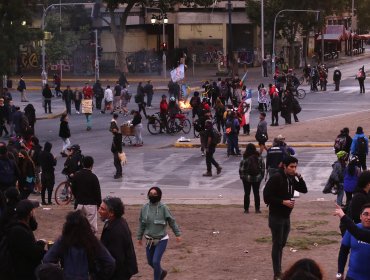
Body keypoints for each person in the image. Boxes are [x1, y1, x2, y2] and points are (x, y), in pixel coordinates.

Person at [263, 156, 308, 280]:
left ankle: (278, 270)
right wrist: (283, 202)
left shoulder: (291, 178)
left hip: (286, 217)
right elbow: (266, 197)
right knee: (277, 244)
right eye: (291, 167)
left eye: (295, 167)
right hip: (276, 217)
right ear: (284, 166)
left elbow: (304, 190)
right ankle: (277, 273)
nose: (294, 169)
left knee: (281, 244)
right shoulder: (277, 178)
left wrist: (300, 177)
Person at [43, 210, 116, 280]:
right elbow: (110, 262)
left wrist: (59, 273)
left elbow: (47, 259)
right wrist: (98, 276)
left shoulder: (63, 240)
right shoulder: (92, 241)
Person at [137, 187, 181, 280]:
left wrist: (177, 234)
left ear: (159, 195)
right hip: (149, 240)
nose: (152, 196)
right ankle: (161, 272)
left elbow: (171, 221)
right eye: (150, 193)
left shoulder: (164, 208)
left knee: (156, 261)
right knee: (150, 262)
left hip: (161, 240)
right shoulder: (144, 208)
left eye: (154, 194)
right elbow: (142, 224)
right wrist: (139, 237)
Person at [99, 197, 138, 280]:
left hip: (119, 273)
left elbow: (117, 258)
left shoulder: (117, 231)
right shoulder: (115, 222)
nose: (99, 210)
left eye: (102, 209)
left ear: (111, 213)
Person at [6, 199, 46, 280]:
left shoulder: (19, 225)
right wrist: (41, 245)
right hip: (22, 272)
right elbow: (33, 253)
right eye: (33, 211)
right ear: (30, 213)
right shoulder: (19, 230)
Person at [337, 203, 370, 280]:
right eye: (366, 214)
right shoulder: (353, 229)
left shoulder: (354, 230)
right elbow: (343, 251)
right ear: (360, 216)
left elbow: (358, 233)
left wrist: (343, 216)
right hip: (352, 276)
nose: (369, 217)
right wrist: (340, 272)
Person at [70, 156, 102, 233]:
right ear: (92, 165)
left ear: (82, 164)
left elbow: (73, 189)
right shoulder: (93, 177)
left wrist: (77, 197)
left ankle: (79, 242)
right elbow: (97, 192)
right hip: (91, 205)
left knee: (79, 226)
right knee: (91, 227)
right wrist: (99, 203)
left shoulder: (76, 176)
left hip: (80, 203)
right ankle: (90, 242)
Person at [239, 143, 265, 214]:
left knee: (247, 193)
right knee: (256, 193)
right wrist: (261, 176)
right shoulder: (259, 157)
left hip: (247, 178)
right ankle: (257, 209)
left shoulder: (245, 157)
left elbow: (241, 169)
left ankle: (246, 209)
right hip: (257, 178)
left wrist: (242, 177)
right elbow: (263, 167)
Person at [39, 141, 56, 205]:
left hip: (43, 173)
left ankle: (43, 201)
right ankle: (49, 201)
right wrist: (55, 159)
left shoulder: (41, 153)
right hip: (50, 173)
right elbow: (54, 163)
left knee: (43, 188)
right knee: (50, 188)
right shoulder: (49, 155)